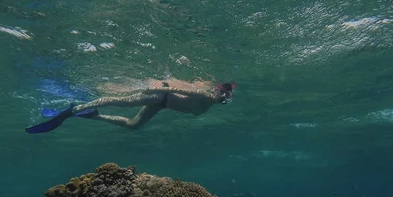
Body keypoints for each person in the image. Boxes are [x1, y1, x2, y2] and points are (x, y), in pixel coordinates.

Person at [25, 77, 237, 134]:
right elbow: (184, 91)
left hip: (161, 103)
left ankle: (94, 115)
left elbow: (185, 97)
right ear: (218, 89)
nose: (225, 96)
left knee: (133, 125)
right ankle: (77, 108)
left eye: (227, 94)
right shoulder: (205, 96)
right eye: (224, 92)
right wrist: (159, 89)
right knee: (122, 102)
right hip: (160, 95)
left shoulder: (208, 103)